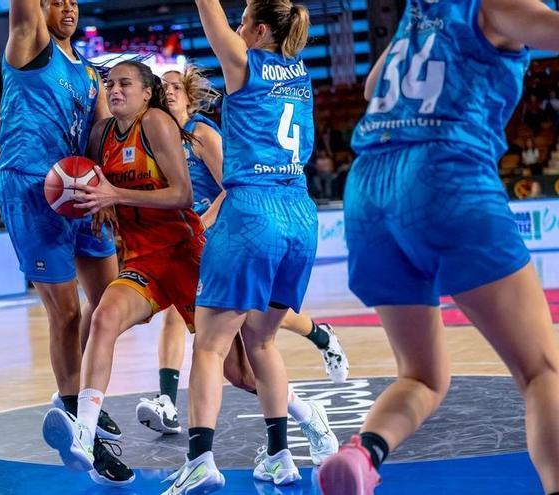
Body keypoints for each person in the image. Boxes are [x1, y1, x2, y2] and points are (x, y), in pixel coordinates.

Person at [42, 59, 334, 489]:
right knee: (102, 317)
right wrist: (99, 202)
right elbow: (97, 184)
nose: (115, 90)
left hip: (187, 254)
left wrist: (115, 193)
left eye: (125, 83)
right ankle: (85, 432)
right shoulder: (100, 135)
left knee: (239, 373)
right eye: (110, 83)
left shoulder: (158, 124)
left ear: (146, 93)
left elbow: (182, 194)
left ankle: (309, 415)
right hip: (142, 261)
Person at [318, 2, 559, 494]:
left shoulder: (421, 9)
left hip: (368, 189)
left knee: (423, 376)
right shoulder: (494, 4)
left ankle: (363, 454)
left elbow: (370, 88)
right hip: (443, 174)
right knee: (541, 370)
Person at [137, 67, 348, 436]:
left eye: (174, 87)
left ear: (188, 95)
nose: (168, 92)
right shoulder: (161, 136)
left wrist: (206, 220)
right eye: (162, 88)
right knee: (233, 363)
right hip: (187, 241)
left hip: (224, 235)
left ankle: (319, 335)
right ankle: (171, 402)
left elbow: (230, 186)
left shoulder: (202, 133)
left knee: (255, 323)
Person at [165, 0, 318, 492]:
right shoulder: (301, 76)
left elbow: (206, 7)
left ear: (260, 29)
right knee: (264, 340)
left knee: (209, 345)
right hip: (300, 212)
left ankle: (199, 460)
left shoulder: (244, 62)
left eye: (244, 16)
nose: (235, 25)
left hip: (253, 211)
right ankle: (279, 455)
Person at [0, 0, 127, 483]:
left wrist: (108, 190)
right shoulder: (31, 40)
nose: (67, 7)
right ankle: (75, 410)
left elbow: (96, 136)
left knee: (113, 303)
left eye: (73, 0)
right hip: (32, 185)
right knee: (66, 312)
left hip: (79, 187)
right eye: (56, 0)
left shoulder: (91, 74)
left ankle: (79, 400)